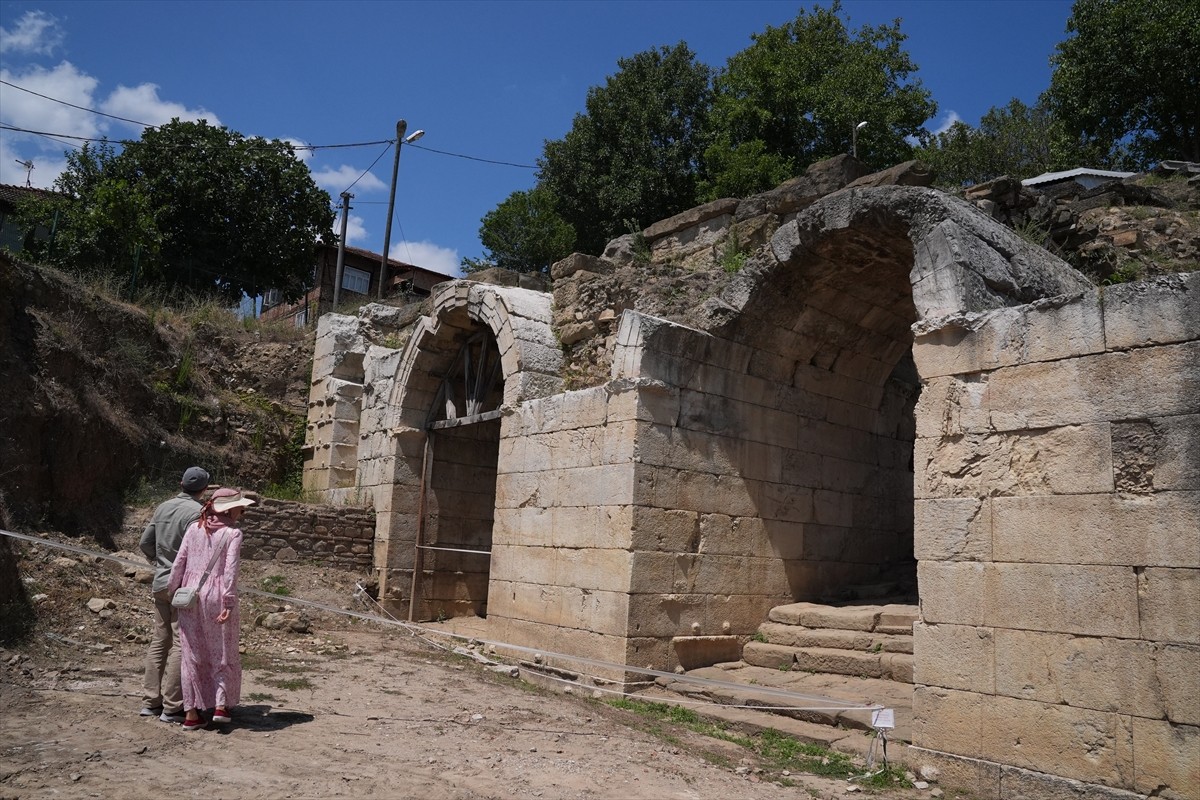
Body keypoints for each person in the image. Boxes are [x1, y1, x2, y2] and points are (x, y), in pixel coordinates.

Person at [167, 487, 254, 731]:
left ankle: (191, 713)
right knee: (222, 650)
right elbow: (230, 570)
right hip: (217, 594)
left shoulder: (193, 528)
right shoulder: (233, 534)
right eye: (240, 507)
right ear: (229, 509)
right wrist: (229, 601)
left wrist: (173, 591)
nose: (242, 511)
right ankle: (220, 706)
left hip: (190, 594)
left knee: (191, 654)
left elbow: (179, 562)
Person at [138, 466, 210, 723]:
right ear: (204, 489)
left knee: (160, 641)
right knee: (181, 643)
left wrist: (160, 563)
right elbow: (199, 551)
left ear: (181, 483)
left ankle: (150, 702)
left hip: (161, 583)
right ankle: (173, 706)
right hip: (183, 587)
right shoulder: (198, 513)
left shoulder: (163, 507)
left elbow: (145, 543)